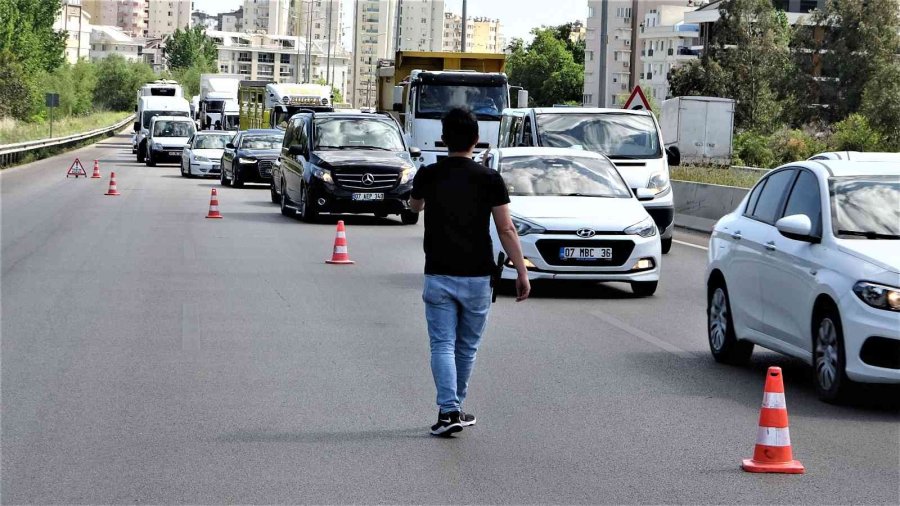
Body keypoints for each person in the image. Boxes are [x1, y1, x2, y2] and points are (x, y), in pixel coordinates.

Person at [408, 108, 531, 437]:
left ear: (443, 139)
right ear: (477, 141)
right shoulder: (489, 179)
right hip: (478, 275)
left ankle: (450, 410)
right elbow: (506, 229)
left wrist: (423, 200)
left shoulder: (429, 174)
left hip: (439, 272)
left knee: (442, 345)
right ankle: (453, 408)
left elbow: (413, 206)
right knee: (465, 348)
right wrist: (522, 271)